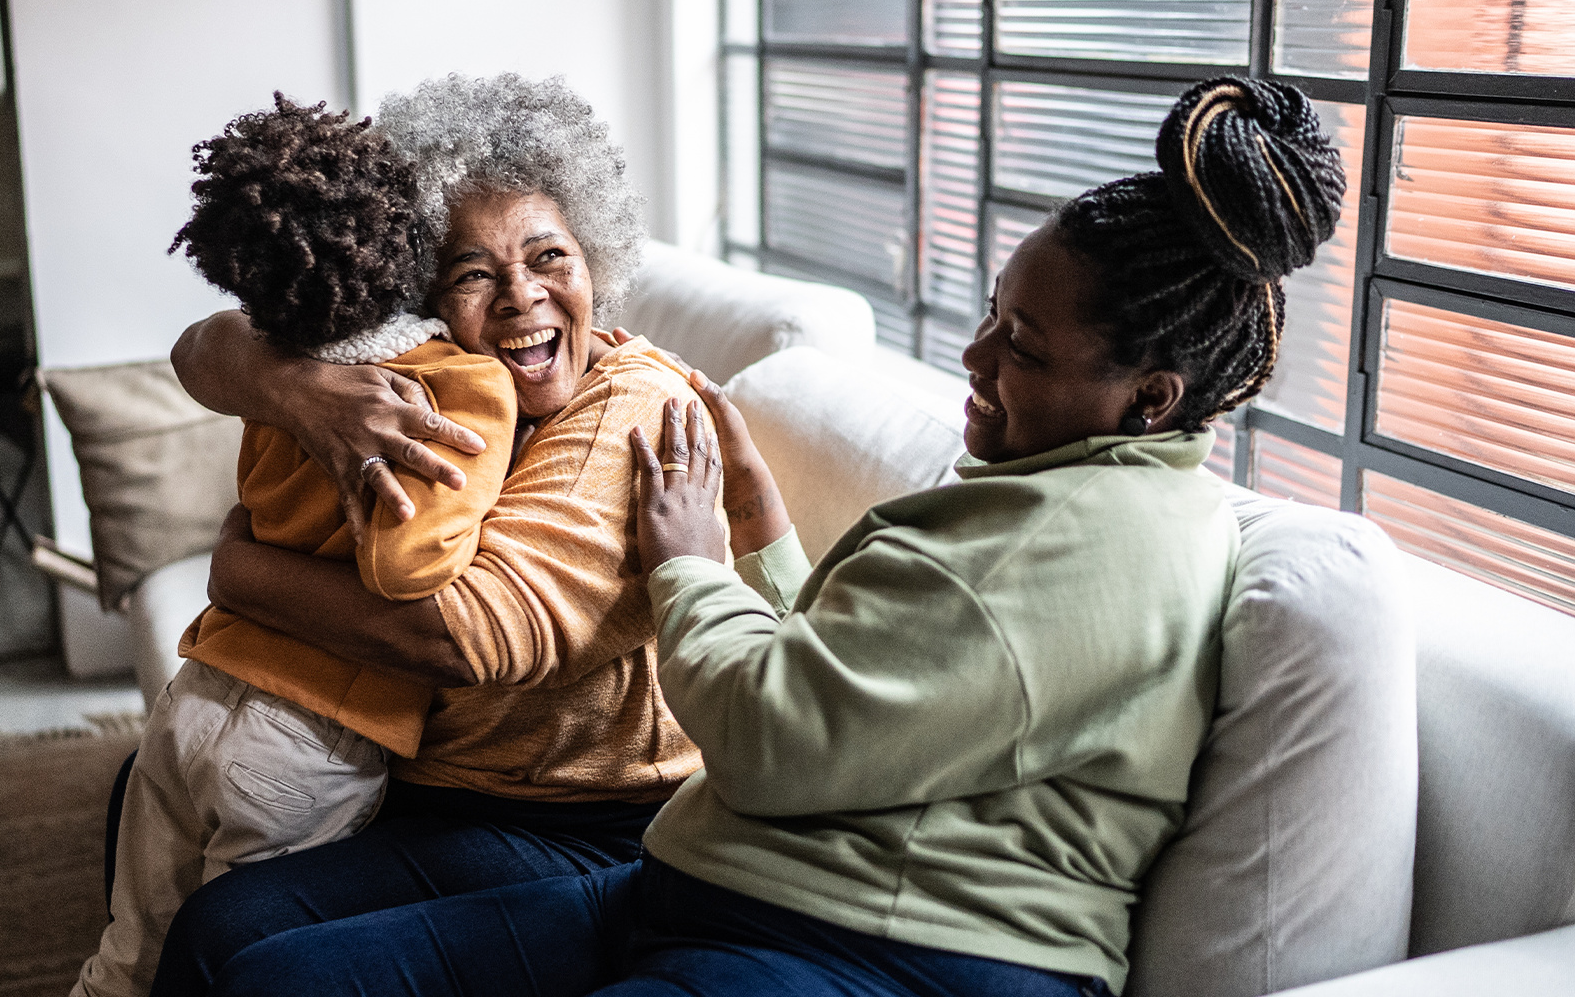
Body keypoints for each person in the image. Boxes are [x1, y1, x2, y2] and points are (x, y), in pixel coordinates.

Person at [185, 75, 1348, 997]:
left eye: (1022, 346)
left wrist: (237, 564)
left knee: (257, 956)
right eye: (992, 315)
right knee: (239, 942)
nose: (975, 357)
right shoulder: (1035, 494)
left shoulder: (1079, 544)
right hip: (734, 876)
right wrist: (768, 535)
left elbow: (762, 727)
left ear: (1148, 397)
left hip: (837, 926)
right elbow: (861, 680)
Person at [148, 73, 715, 995]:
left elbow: (468, 636)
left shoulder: (632, 409)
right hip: (431, 778)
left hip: (583, 819)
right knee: (151, 787)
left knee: (228, 934)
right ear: (419, 293)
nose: (522, 297)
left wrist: (236, 570)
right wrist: (294, 384)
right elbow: (202, 347)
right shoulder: (425, 376)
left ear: (595, 264)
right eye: (473, 273)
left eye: (550, 258)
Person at [73, 95, 519, 997]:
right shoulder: (459, 386)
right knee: (242, 968)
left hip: (197, 695)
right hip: (307, 736)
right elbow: (409, 566)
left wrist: (240, 550)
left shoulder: (290, 366)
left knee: (128, 956)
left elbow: (247, 492)